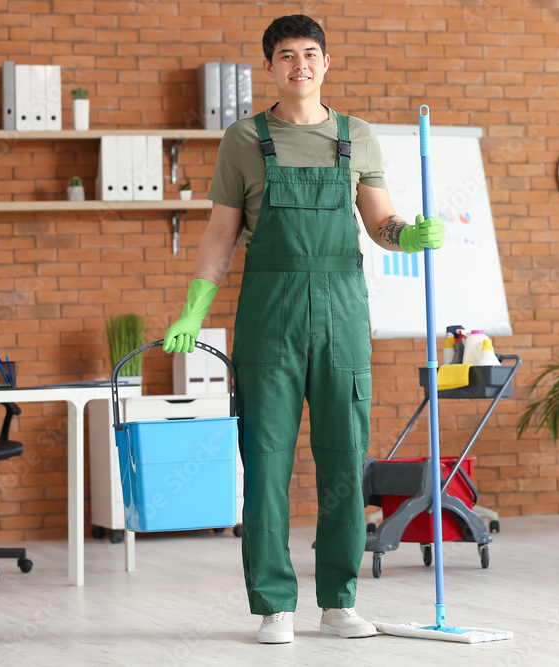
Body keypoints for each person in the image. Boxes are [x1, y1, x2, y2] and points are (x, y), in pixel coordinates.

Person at [161, 15, 444, 645]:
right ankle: (274, 607)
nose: (300, 66)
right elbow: (219, 232)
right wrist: (193, 312)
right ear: (269, 67)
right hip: (270, 313)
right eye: (286, 56)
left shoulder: (357, 137)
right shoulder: (244, 138)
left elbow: (381, 223)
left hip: (343, 313)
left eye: (310, 54)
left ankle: (339, 600)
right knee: (265, 462)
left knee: (344, 459)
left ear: (326, 62)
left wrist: (411, 235)